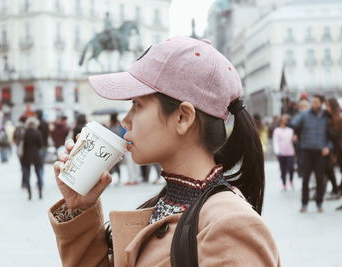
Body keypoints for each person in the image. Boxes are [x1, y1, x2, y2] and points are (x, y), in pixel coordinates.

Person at [49, 37, 280, 266]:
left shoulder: (229, 225)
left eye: (137, 105)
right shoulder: (165, 204)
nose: (125, 120)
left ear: (182, 117)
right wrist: (80, 206)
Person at [291, 95, 332, 213]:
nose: (314, 104)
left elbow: (332, 135)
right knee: (305, 179)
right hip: (307, 151)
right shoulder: (304, 115)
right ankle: (304, 203)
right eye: (312, 102)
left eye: (316, 102)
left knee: (320, 178)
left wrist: (328, 147)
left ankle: (319, 202)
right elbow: (294, 124)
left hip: (321, 152)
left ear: (321, 103)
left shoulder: (326, 117)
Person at [22, 117, 44, 200]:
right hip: (36, 156)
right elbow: (40, 145)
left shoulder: (24, 133)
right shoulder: (37, 133)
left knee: (27, 175)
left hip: (26, 156)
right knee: (38, 174)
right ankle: (40, 192)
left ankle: (30, 194)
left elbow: (22, 144)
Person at [325, 98, 342, 199]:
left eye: (328, 106)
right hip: (333, 149)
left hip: (338, 150)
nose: (327, 108)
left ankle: (338, 190)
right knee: (327, 168)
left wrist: (335, 154)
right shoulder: (328, 118)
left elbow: (337, 137)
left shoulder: (339, 119)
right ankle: (336, 189)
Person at [272, 114, 295, 190]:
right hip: (281, 153)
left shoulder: (290, 130)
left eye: (285, 121)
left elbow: (293, 141)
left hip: (290, 152)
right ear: (280, 122)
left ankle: (291, 180)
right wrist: (277, 151)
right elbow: (275, 141)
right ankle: (284, 184)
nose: (283, 123)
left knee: (291, 167)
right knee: (283, 169)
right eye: (282, 121)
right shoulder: (277, 130)